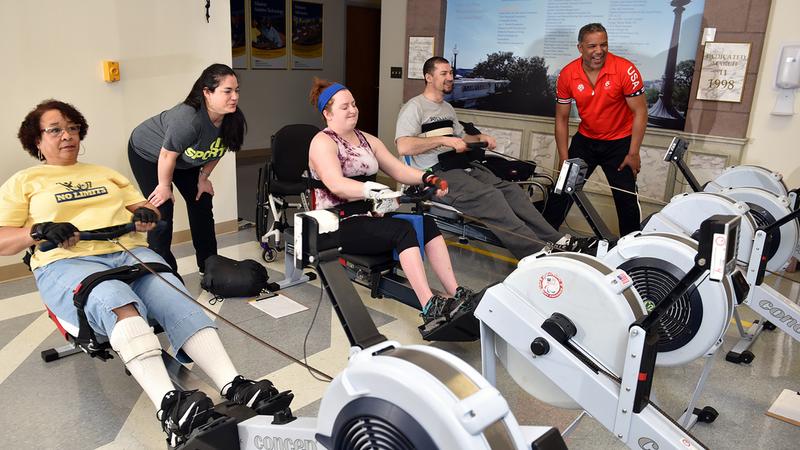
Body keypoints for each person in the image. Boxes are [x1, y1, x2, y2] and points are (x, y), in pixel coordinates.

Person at [0, 100, 289, 447]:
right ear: (36, 140)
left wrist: (148, 214)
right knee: (114, 300)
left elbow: (143, 205)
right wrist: (39, 230)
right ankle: (171, 407)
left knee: (174, 292)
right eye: (56, 129)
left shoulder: (105, 173)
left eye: (73, 128)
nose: (67, 136)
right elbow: (4, 240)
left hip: (128, 251)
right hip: (68, 261)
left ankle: (234, 383)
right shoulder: (25, 181)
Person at [308, 78, 472, 324]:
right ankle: (429, 305)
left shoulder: (367, 140)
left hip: (368, 217)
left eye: (354, 104)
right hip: (335, 222)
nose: (353, 110)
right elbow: (335, 184)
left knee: (425, 223)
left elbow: (398, 170)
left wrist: (429, 178)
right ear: (327, 113)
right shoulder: (322, 142)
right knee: (402, 230)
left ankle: (455, 292)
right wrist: (373, 190)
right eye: (345, 107)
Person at [395, 57, 593, 260]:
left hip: (459, 166)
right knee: (490, 197)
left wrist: (480, 138)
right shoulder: (414, 107)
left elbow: (461, 138)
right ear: (428, 77)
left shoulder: (447, 108)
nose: (450, 78)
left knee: (512, 191)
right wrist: (443, 141)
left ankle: (558, 240)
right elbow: (404, 146)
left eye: (451, 73)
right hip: (434, 174)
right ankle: (536, 253)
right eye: (444, 74)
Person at [128, 63, 247, 273]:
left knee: (201, 199)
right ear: (207, 93)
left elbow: (216, 150)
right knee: (162, 208)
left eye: (237, 90)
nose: (235, 96)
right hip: (150, 154)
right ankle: (163, 271)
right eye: (227, 91)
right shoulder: (188, 119)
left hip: (182, 160)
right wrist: (164, 186)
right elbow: (166, 155)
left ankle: (209, 265)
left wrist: (204, 177)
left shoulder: (232, 118)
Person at [544, 23, 647, 237]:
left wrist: (633, 153)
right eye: (592, 46)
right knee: (562, 191)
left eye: (603, 45)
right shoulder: (567, 74)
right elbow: (561, 118)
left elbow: (640, 112)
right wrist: (565, 159)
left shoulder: (625, 69)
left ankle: (631, 252)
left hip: (620, 143)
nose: (598, 51)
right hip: (586, 140)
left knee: (626, 200)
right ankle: (541, 240)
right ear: (580, 47)